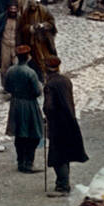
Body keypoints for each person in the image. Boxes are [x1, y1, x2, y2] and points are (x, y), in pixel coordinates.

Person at [42, 54, 88, 196]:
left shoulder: (50, 85)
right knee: (65, 154)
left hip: (57, 124)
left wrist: (46, 115)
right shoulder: (66, 80)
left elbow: (49, 107)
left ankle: (63, 185)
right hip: (70, 121)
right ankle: (63, 182)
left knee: (58, 155)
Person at [3, 46, 44, 173]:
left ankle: (21, 161)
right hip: (29, 104)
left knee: (20, 134)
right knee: (33, 133)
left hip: (15, 104)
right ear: (28, 56)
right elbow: (37, 92)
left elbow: (7, 88)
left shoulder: (10, 70)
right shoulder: (30, 73)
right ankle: (28, 162)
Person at [16, 0, 58, 79]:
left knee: (46, 58)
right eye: (30, 5)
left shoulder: (44, 11)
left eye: (34, 5)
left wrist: (43, 25)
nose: (32, 7)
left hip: (44, 41)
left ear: (38, 4)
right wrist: (30, 28)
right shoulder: (25, 13)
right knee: (36, 61)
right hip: (32, 42)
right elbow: (22, 27)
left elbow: (51, 23)